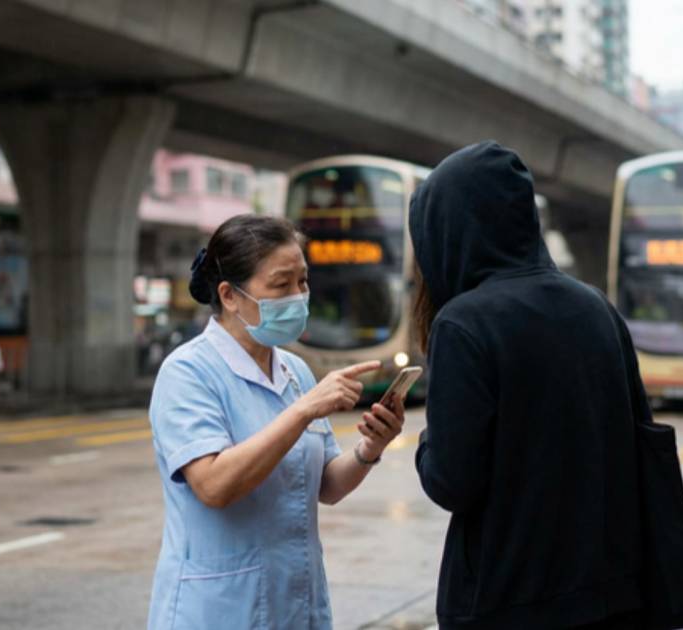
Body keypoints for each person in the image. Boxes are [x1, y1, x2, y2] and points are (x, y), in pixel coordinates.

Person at [410, 141, 644, 629]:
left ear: (447, 231)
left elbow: (451, 482)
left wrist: (425, 444)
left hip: (505, 600)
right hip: (608, 594)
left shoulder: (463, 324)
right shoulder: (596, 308)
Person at [146, 214, 406, 630]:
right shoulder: (188, 373)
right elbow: (214, 485)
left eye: (302, 282)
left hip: (297, 604)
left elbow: (325, 486)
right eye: (281, 285)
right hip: (219, 611)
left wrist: (369, 449)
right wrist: (302, 411)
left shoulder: (295, 371)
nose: (298, 296)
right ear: (230, 295)